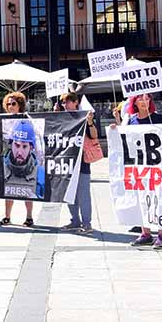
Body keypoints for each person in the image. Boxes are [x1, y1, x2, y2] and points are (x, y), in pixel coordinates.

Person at [123, 93, 162, 249]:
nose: (144, 101)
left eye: (147, 98)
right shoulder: (131, 120)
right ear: (134, 101)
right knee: (142, 199)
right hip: (139, 167)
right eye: (141, 98)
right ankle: (146, 233)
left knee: (159, 198)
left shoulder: (159, 119)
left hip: (157, 167)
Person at [60, 92, 98, 233]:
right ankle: (75, 220)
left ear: (76, 102)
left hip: (82, 162)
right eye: (63, 103)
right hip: (66, 162)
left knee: (83, 194)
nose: (65, 105)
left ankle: (87, 223)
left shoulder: (84, 116)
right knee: (69, 194)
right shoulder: (61, 118)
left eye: (68, 102)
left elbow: (94, 135)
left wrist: (90, 122)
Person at [0, 91, 34, 228]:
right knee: (9, 189)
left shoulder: (26, 119)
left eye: (13, 104)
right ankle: (7, 217)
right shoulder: (3, 120)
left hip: (25, 159)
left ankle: (29, 217)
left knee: (27, 189)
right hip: (9, 159)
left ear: (20, 105)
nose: (10, 106)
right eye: (8, 104)